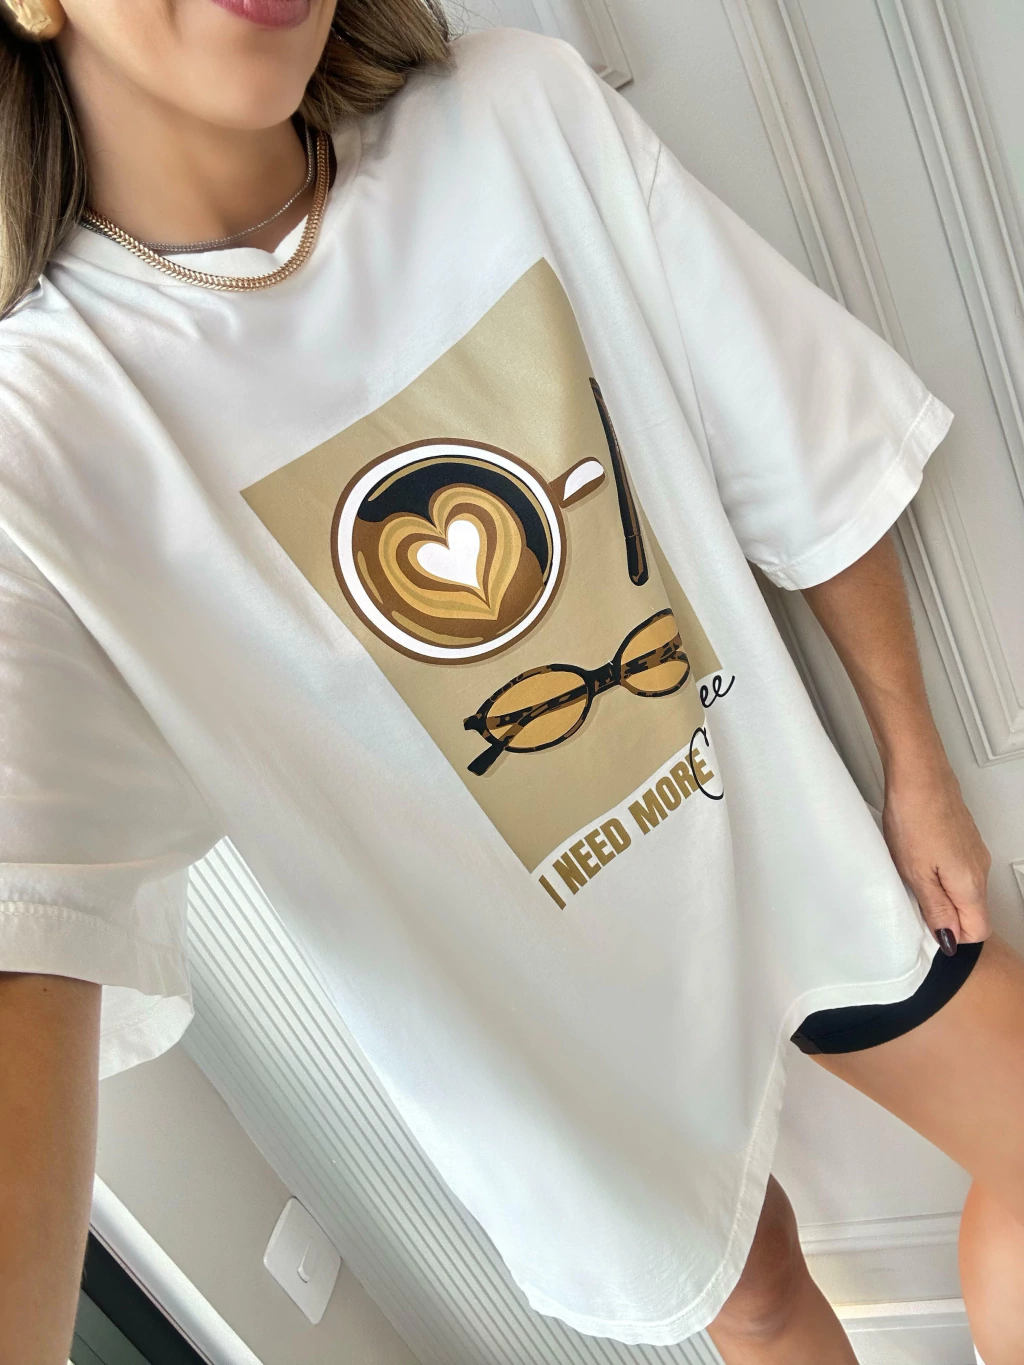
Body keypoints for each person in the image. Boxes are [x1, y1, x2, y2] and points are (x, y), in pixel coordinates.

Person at [0, 2, 1019, 1362]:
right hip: (541, 1032)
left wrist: (916, 764)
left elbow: (801, 439)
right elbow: (26, 914)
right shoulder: (41, 441)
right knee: (763, 1299)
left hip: (775, 839)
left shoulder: (514, 122)